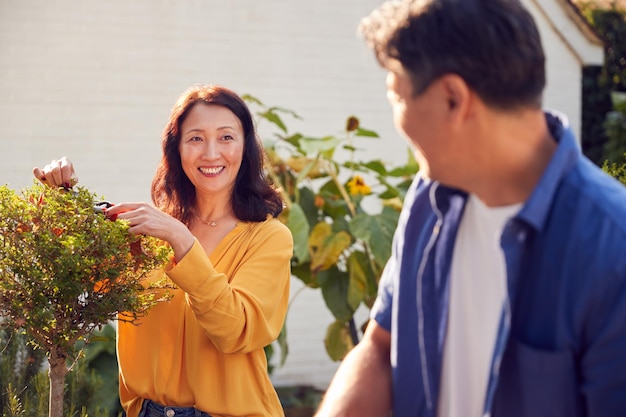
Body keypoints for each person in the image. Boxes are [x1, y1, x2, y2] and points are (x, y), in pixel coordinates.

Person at [315, 1, 626, 417]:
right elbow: (381, 345)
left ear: (452, 99)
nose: (397, 118)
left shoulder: (613, 250)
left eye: (397, 95)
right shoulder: (428, 199)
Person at [34, 85, 293, 417]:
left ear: (245, 148)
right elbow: (70, 274)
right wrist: (61, 198)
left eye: (226, 137)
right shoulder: (144, 232)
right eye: (196, 138)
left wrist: (182, 241)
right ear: (177, 150)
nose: (211, 153)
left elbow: (235, 332)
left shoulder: (269, 238)